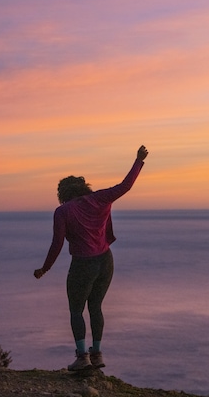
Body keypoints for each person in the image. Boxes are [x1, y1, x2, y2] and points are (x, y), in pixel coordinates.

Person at [34, 145, 148, 371]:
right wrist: (138, 161)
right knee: (96, 307)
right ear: (83, 187)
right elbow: (125, 186)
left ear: (63, 194)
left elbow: (57, 244)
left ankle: (82, 357)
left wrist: (44, 268)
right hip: (106, 261)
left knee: (76, 310)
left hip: (82, 265)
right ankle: (97, 355)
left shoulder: (63, 211)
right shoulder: (100, 198)